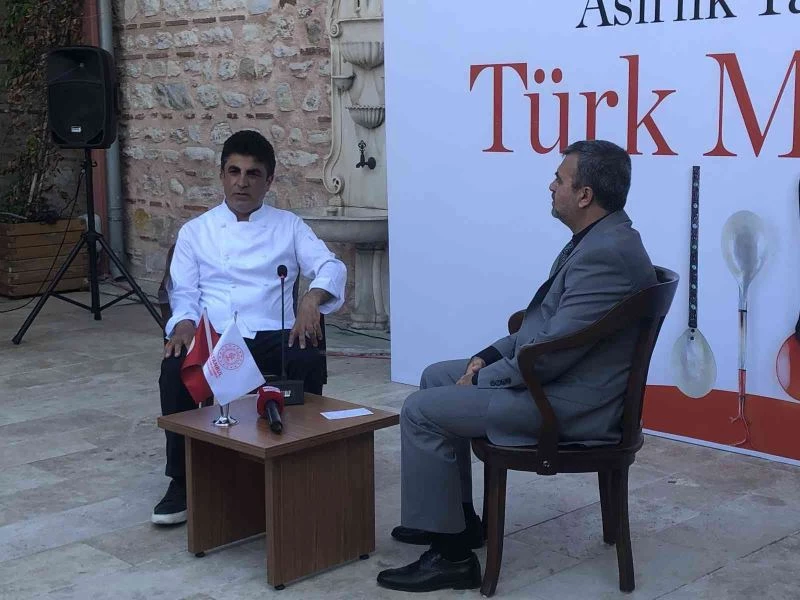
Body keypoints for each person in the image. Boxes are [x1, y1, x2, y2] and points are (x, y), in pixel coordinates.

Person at [376, 139, 657, 593]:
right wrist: (484, 358)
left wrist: (481, 380)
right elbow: (542, 324)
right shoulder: (603, 238)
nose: (551, 186)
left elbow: (551, 353)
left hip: (565, 406)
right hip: (557, 383)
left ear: (585, 195)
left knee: (420, 411)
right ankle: (455, 521)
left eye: (560, 179)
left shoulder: (605, 255)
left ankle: (452, 558)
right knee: (434, 376)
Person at [152, 130, 347, 525]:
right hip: (217, 336)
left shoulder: (289, 226)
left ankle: (299, 463)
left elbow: (331, 265)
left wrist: (312, 299)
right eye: (234, 171)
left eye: (253, 174)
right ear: (222, 176)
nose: (242, 182)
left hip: (274, 333)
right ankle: (182, 480)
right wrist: (184, 324)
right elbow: (183, 292)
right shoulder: (196, 232)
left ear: (268, 181)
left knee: (306, 356)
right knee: (174, 368)